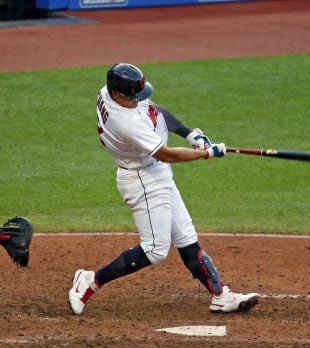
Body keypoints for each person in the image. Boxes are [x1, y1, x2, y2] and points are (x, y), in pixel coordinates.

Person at [68, 63, 260, 315]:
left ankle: (220, 296)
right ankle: (91, 280)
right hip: (143, 181)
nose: (138, 101)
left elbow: (155, 111)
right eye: (133, 97)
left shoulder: (109, 92)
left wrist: (190, 134)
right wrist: (205, 153)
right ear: (118, 94)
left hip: (155, 172)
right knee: (155, 250)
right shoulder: (125, 123)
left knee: (187, 238)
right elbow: (166, 154)